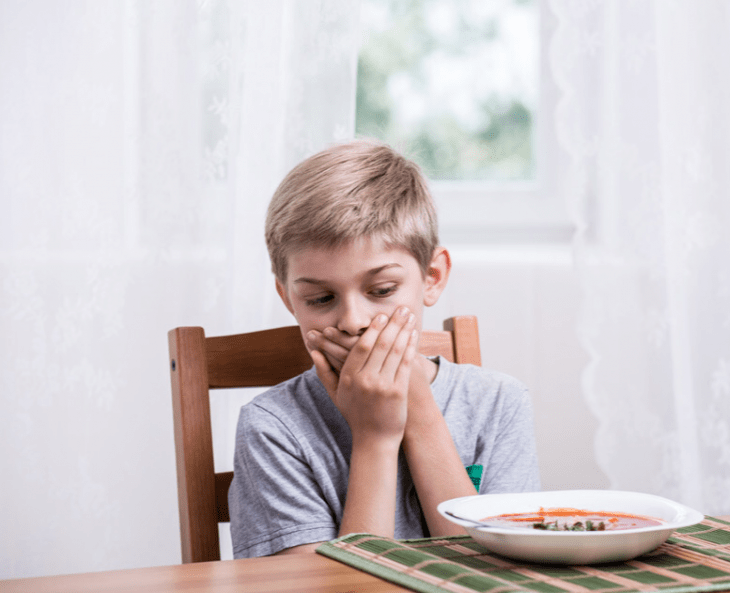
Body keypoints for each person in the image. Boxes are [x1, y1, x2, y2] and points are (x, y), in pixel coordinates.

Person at [228, 139, 541, 558]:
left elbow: (494, 577)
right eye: (321, 299)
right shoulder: (273, 429)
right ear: (288, 300)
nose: (353, 320)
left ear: (431, 277)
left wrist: (419, 410)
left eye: (381, 290)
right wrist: (375, 437)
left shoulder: (498, 403)